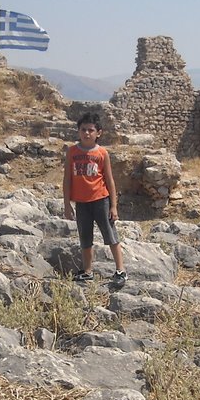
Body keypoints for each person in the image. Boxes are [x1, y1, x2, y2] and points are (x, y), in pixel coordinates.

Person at [62, 112, 127, 286]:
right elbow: (67, 179)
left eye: (91, 130)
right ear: (78, 131)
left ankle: (120, 270)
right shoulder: (72, 152)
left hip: (101, 200)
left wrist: (113, 206)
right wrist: (67, 204)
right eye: (83, 130)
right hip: (81, 202)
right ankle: (88, 271)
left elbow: (110, 180)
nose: (87, 133)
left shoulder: (102, 153)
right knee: (85, 237)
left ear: (99, 133)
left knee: (110, 234)